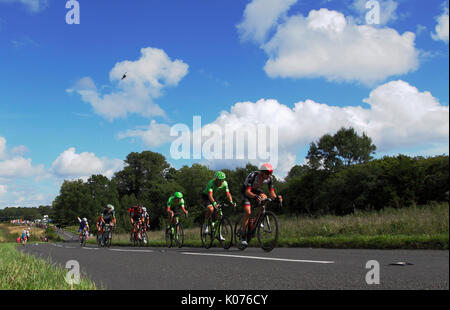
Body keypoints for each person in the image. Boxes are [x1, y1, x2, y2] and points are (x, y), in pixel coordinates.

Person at [238, 163, 283, 246]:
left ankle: (254, 220)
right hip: (246, 191)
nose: (269, 175)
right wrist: (255, 196)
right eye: (267, 173)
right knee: (248, 212)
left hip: (256, 190)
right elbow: (247, 192)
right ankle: (243, 234)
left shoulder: (270, 179)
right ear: (262, 172)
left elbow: (272, 193)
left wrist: (277, 198)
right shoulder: (253, 176)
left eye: (271, 173)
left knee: (265, 198)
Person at [201, 171, 236, 235]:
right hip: (206, 196)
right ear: (216, 180)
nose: (221, 182)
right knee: (211, 209)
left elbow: (228, 194)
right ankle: (205, 224)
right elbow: (210, 196)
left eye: (222, 180)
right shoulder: (211, 183)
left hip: (214, 197)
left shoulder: (225, 184)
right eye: (220, 180)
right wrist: (214, 203)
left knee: (219, 212)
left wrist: (231, 202)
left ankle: (218, 232)